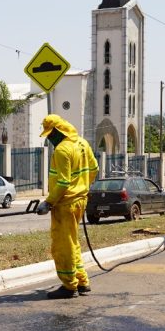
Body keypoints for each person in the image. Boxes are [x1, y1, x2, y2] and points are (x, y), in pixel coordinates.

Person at [36, 114, 99, 299]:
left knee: (63, 245)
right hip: (79, 200)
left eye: (50, 134)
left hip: (65, 205)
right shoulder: (82, 143)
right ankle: (82, 281)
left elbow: (63, 183)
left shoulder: (62, 150)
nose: (49, 138)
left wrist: (48, 202)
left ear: (58, 131)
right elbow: (94, 169)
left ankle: (69, 285)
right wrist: (82, 188)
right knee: (73, 242)